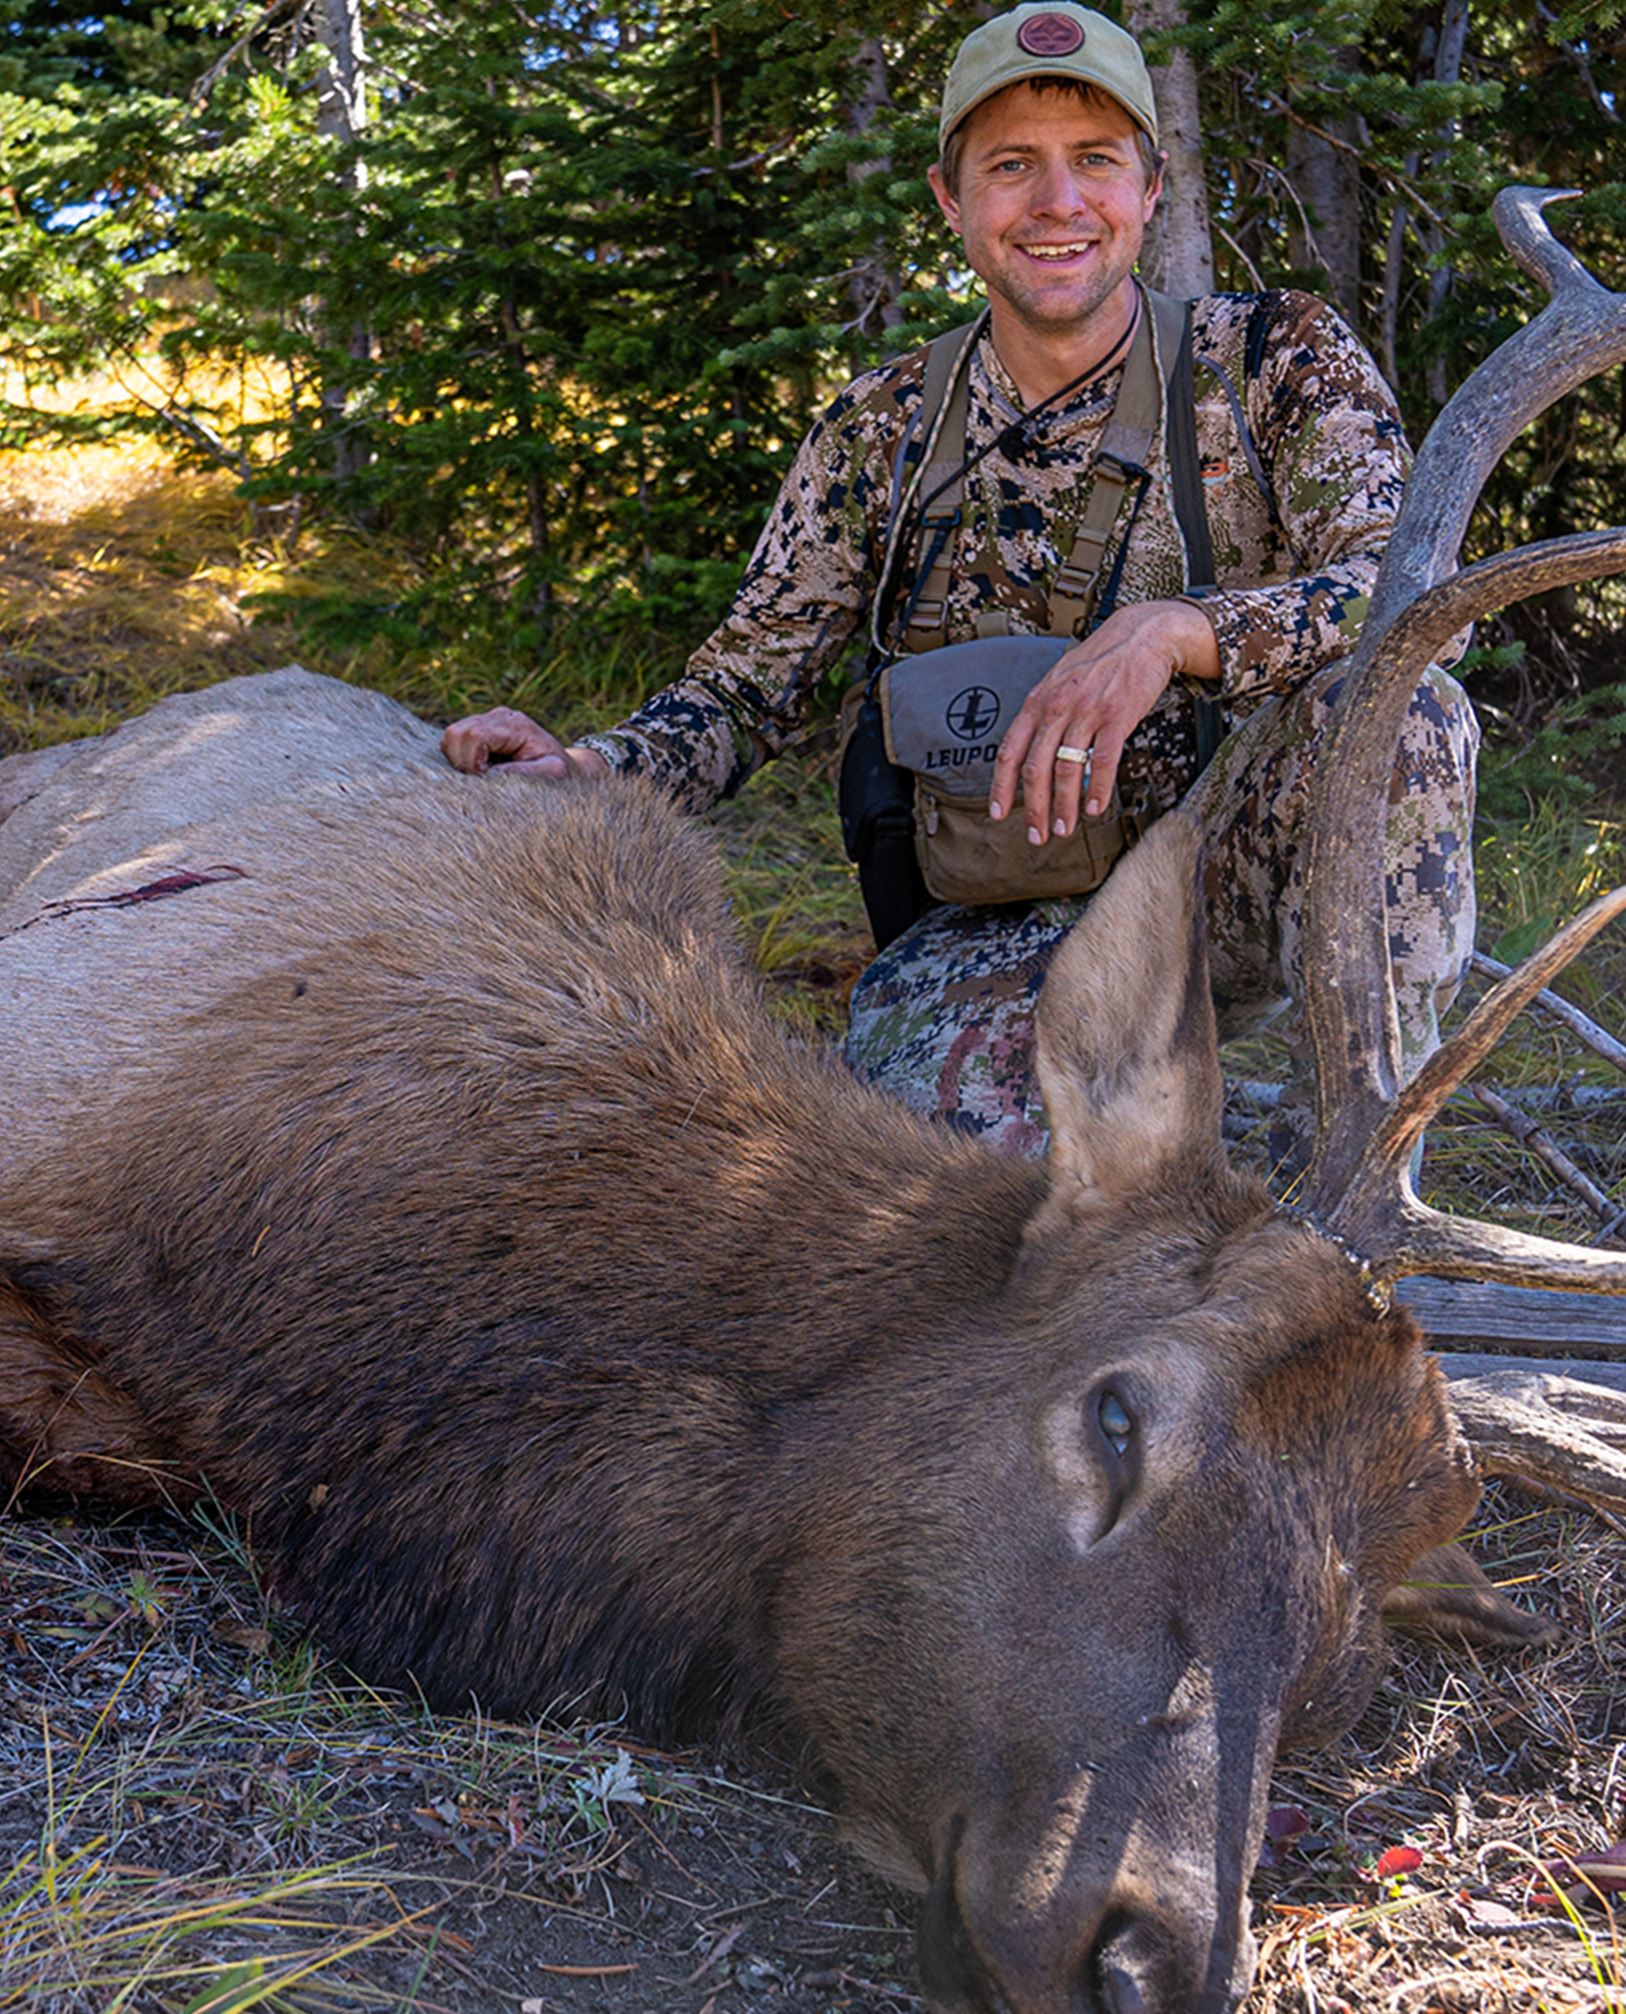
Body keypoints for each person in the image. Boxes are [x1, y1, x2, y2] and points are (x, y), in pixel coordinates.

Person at [443, 2, 1477, 1155]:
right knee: (955, 1232)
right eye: (1011, 167)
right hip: (987, 926)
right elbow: (742, 694)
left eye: (1094, 162)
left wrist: (1172, 633)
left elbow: (1416, 600)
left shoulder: (1274, 359)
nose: (1057, 204)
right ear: (951, 199)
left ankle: (1355, 1190)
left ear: (1152, 185)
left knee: (1401, 713)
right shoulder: (883, 428)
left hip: (1210, 887)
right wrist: (586, 768)